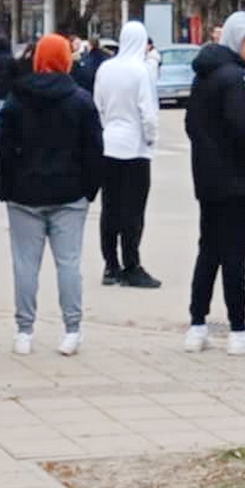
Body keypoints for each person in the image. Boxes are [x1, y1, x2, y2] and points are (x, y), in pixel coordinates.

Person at [0, 33, 104, 356]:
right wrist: (89, 189)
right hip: (70, 193)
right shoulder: (80, 100)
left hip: (24, 193)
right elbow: (94, 149)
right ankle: (72, 330)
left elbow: (2, 149)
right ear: (66, 60)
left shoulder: (17, 99)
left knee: (25, 264)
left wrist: (7, 189)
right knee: (68, 263)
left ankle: (24, 331)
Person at [186, 12, 245, 354]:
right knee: (235, 254)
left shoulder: (203, 75)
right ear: (236, 38)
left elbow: (191, 126)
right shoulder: (236, 78)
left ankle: (197, 325)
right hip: (238, 182)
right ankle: (238, 329)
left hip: (208, 180)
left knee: (208, 249)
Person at [93, 20, 162, 288]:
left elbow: (97, 105)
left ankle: (110, 266)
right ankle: (131, 264)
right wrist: (151, 140)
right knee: (133, 210)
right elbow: (148, 112)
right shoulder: (140, 71)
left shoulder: (105, 68)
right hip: (135, 149)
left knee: (110, 208)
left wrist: (106, 130)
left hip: (108, 145)